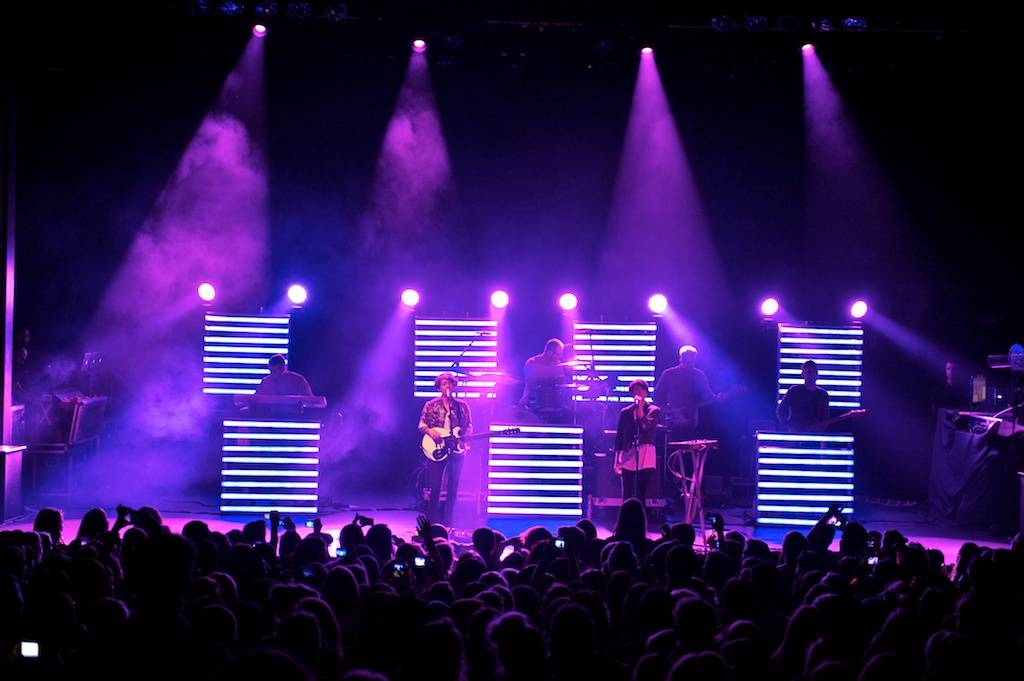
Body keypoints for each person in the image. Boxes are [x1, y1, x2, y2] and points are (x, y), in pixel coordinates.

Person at [419, 372, 473, 525]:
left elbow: (468, 426)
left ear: (454, 386)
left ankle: (449, 522)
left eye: (450, 383)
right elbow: (422, 425)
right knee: (435, 487)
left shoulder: (462, 406)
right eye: (444, 384)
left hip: (456, 449)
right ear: (439, 387)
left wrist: (465, 436)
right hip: (438, 448)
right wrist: (431, 432)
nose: (447, 386)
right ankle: (432, 523)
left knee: (453, 488)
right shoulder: (431, 405)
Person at [614, 380, 661, 507]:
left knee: (641, 492)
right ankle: (625, 522)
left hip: (646, 451)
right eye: (635, 390)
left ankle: (640, 522)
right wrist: (616, 459)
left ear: (646, 392)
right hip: (628, 451)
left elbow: (645, 426)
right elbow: (620, 436)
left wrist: (640, 408)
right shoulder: (625, 412)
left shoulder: (653, 410)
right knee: (627, 492)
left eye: (641, 389)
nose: (638, 392)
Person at [655, 345, 718, 436]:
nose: (691, 361)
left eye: (693, 358)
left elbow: (707, 394)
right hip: (672, 419)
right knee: (672, 446)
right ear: (681, 358)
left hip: (691, 420)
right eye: (688, 358)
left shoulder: (698, 375)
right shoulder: (669, 373)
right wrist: (665, 409)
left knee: (691, 445)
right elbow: (658, 394)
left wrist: (718, 397)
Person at [519, 338, 572, 418]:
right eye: (558, 354)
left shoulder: (558, 365)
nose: (560, 357)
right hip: (532, 402)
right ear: (550, 353)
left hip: (555, 405)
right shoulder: (532, 363)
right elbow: (531, 384)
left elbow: (561, 385)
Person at [776, 360, 830, 432]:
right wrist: (787, 427)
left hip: (814, 434)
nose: (811, 375)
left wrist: (820, 429)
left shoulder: (823, 394)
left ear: (817, 374)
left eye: (813, 372)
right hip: (796, 432)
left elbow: (825, 417)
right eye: (808, 372)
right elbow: (780, 410)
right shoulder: (794, 391)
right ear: (803, 374)